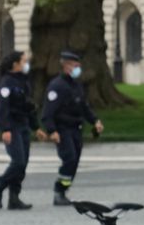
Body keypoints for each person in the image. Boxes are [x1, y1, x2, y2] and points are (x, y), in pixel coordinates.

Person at [38, 48, 104, 206]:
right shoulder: (57, 86)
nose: (78, 69)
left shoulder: (76, 85)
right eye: (75, 65)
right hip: (63, 129)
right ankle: (58, 191)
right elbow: (48, 111)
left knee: (74, 162)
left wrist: (95, 121)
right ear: (66, 66)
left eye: (78, 65)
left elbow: (83, 106)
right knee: (69, 159)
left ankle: (64, 190)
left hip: (76, 128)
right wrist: (51, 130)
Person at [0, 49, 36, 211]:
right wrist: (6, 129)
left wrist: (36, 127)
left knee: (23, 165)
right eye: (23, 61)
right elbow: (2, 108)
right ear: (15, 64)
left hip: (23, 125)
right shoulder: (6, 83)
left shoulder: (23, 81)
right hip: (12, 126)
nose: (26, 64)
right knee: (18, 162)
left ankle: (14, 197)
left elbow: (27, 107)